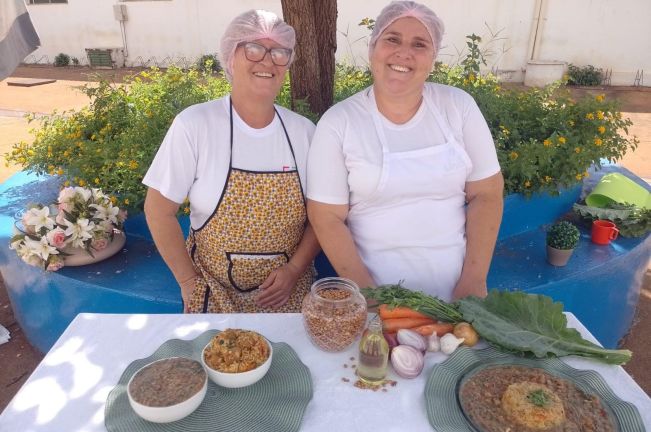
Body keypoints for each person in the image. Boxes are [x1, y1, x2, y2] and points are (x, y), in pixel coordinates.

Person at [307, 1, 503, 302]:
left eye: (419, 44)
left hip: (457, 297)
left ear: (433, 58)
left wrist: (474, 281)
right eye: (392, 39)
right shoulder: (339, 122)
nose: (404, 53)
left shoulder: (458, 107)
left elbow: (487, 193)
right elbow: (326, 216)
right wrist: (369, 296)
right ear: (373, 49)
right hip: (375, 300)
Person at [143, 9, 319, 313]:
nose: (267, 61)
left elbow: (323, 217)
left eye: (279, 52)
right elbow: (158, 212)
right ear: (230, 57)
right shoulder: (195, 125)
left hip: (289, 295)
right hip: (213, 294)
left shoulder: (304, 133)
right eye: (253, 49)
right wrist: (189, 283)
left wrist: (294, 271)